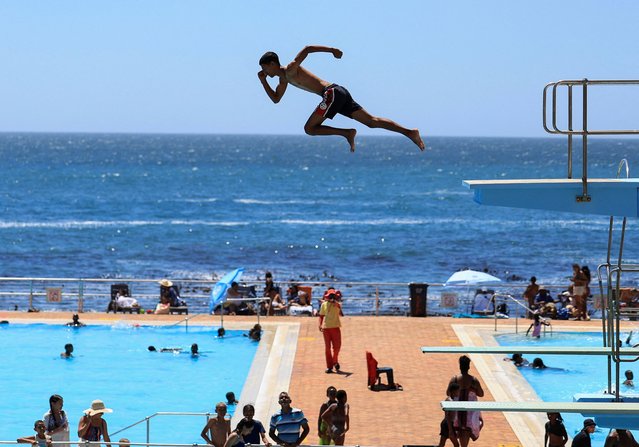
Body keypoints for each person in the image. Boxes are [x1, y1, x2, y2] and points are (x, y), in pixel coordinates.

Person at [258, 47, 425, 153]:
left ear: (273, 64)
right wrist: (263, 80)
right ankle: (410, 132)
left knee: (310, 128)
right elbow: (276, 99)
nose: (263, 71)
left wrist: (332, 50)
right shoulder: (283, 80)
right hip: (338, 92)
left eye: (264, 67)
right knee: (371, 121)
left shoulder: (291, 69)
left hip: (331, 93)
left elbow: (307, 49)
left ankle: (347, 133)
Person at [448, 355, 484, 447]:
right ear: (469, 367)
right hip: (469, 411)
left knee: (458, 432)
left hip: (457, 409)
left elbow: (448, 393)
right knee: (466, 433)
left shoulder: (455, 379)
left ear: (460, 366)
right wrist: (473, 390)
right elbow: (481, 394)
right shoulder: (473, 380)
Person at [319, 288, 343, 374]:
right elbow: (321, 315)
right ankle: (329, 366)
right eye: (330, 296)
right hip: (326, 328)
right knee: (327, 348)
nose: (331, 298)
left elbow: (341, 314)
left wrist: (337, 304)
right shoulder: (324, 305)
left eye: (333, 296)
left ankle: (335, 360)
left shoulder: (338, 304)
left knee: (337, 347)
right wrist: (320, 324)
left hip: (336, 327)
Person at [439, 382, 460, 447]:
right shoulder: (450, 401)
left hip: (448, 423)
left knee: (442, 444)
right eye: (458, 391)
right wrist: (450, 430)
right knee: (456, 445)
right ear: (453, 391)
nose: (459, 393)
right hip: (448, 424)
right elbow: (447, 416)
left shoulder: (453, 400)